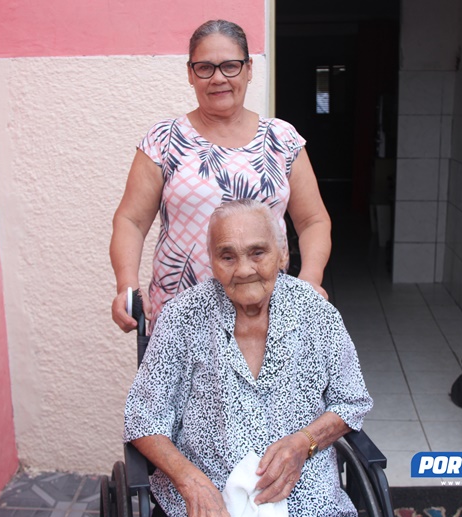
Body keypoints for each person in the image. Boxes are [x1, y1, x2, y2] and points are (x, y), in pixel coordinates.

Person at [124, 200, 372, 517]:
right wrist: (191, 483)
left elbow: (351, 401)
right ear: (211, 261)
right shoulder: (183, 317)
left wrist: (304, 443)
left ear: (282, 254)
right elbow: (142, 418)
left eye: (257, 253)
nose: (243, 270)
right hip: (205, 502)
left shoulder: (316, 313)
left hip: (305, 504)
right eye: (227, 256)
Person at [110, 19, 331, 332]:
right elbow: (131, 220)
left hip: (266, 316)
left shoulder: (282, 139)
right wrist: (127, 286)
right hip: (181, 320)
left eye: (230, 66)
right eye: (205, 68)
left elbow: (313, 221)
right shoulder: (164, 140)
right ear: (190, 73)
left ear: (248, 69)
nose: (218, 78)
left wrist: (310, 279)